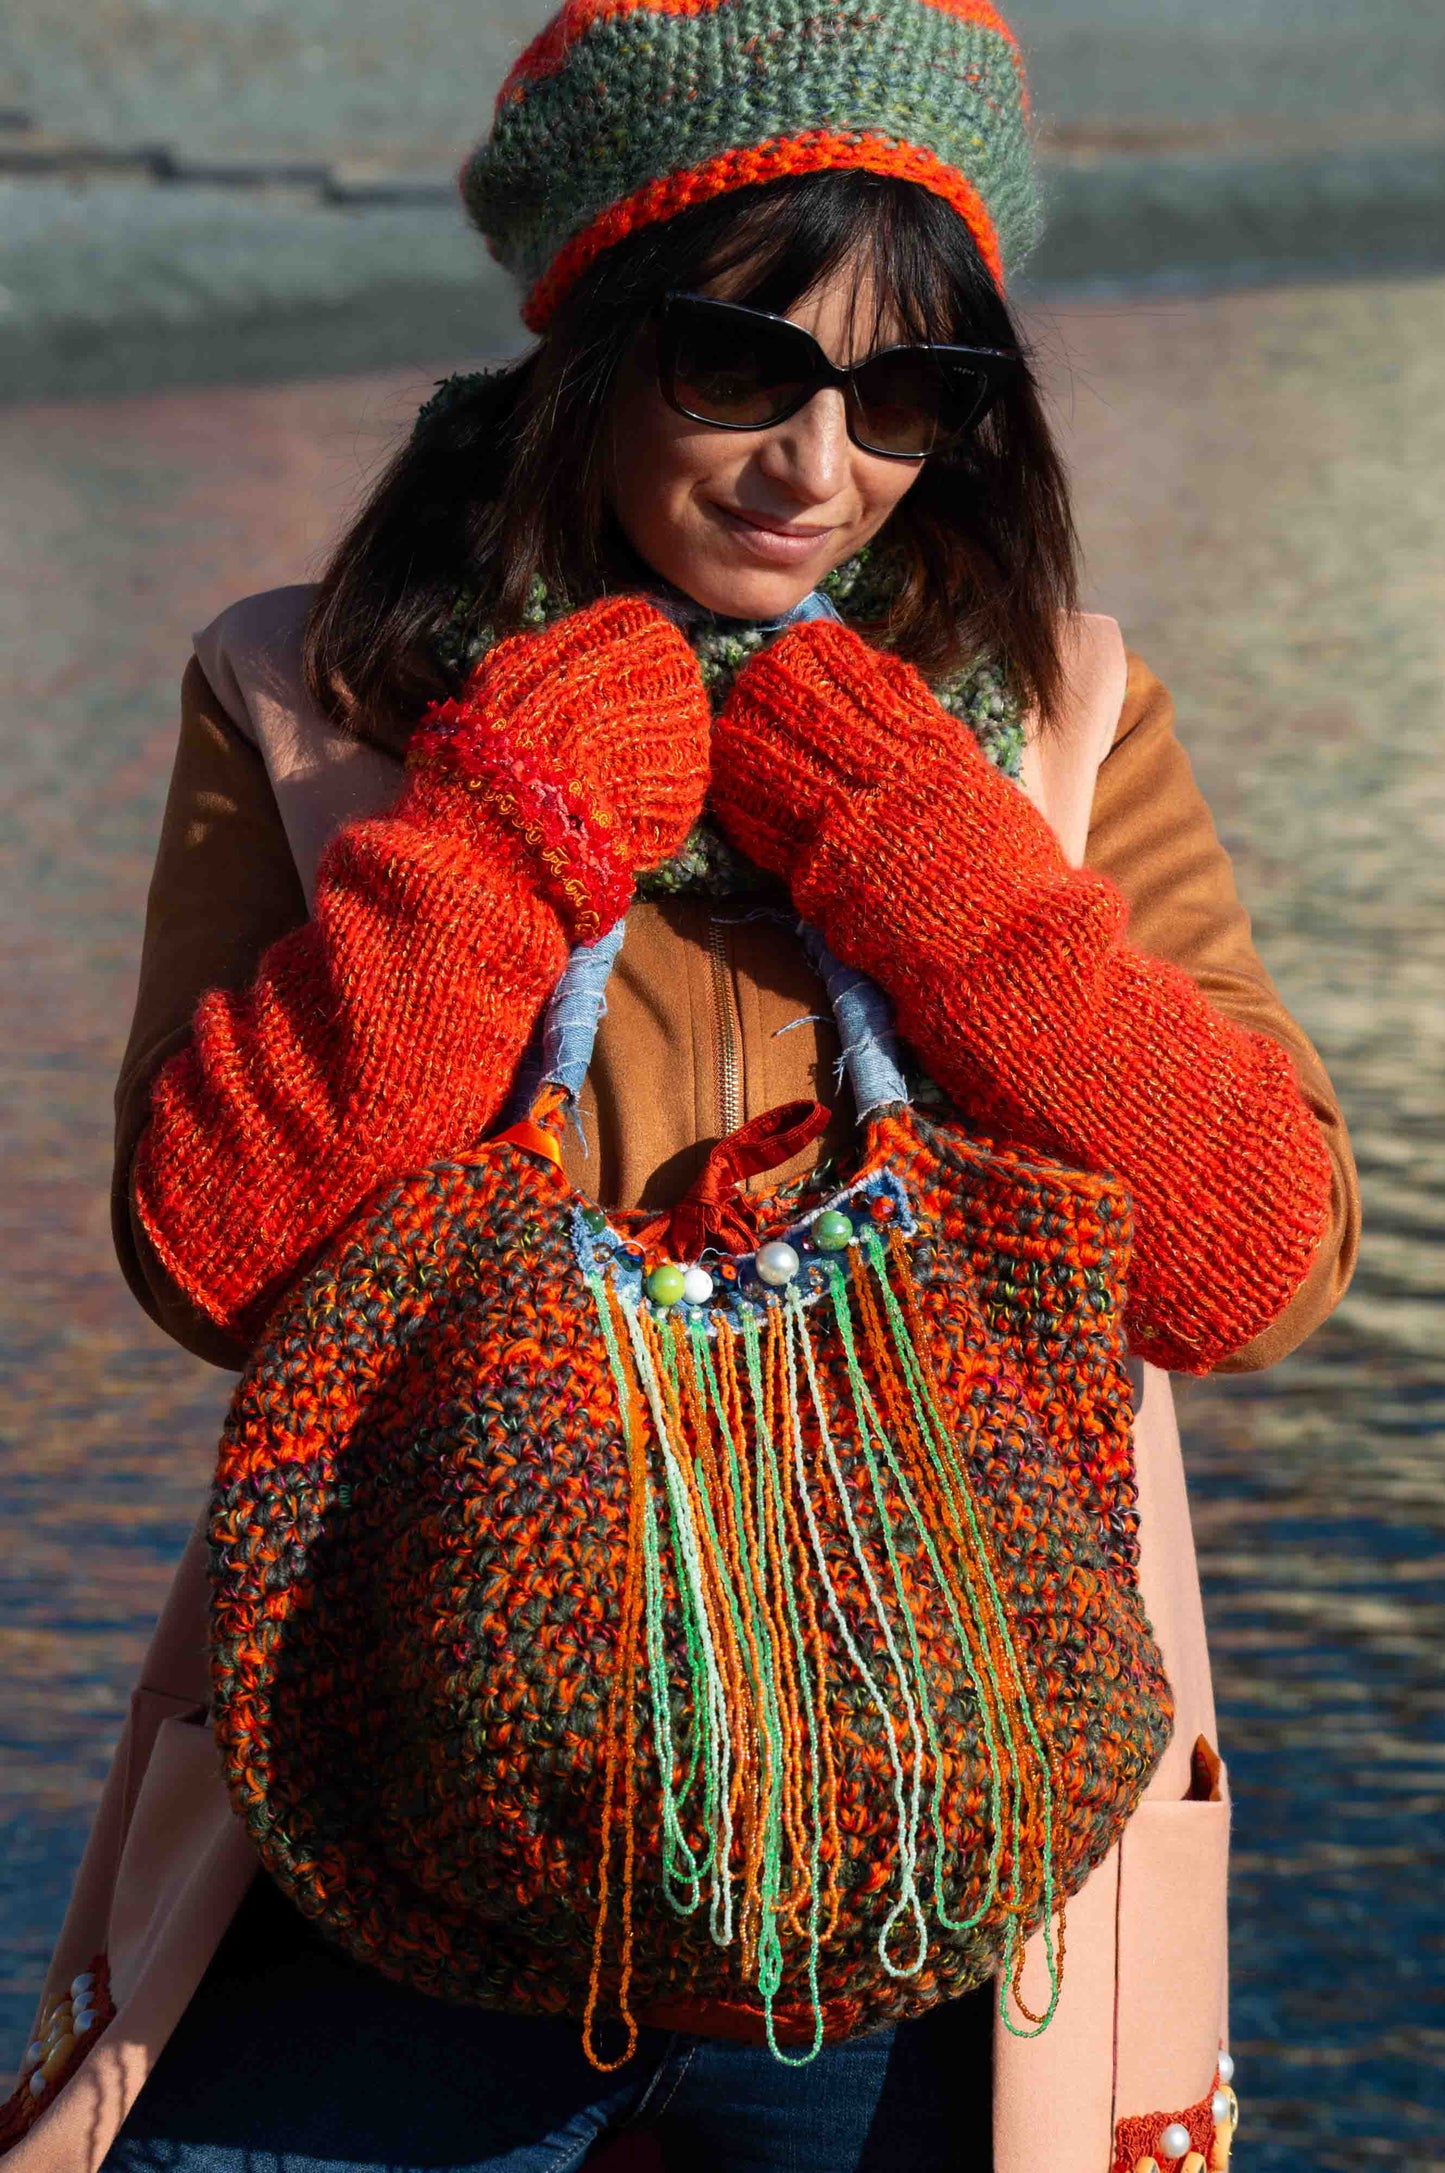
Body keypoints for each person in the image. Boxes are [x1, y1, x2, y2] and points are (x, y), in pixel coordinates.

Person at [3, 2, 1358, 2168]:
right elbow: (210, 1243)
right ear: (595, 343)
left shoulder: (1054, 717)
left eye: (910, 393)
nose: (816, 465)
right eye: (742, 365)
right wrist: (504, 833)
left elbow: (1258, 1261)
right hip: (398, 1830)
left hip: (921, 1866)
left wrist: (940, 869)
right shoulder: (310, 683)